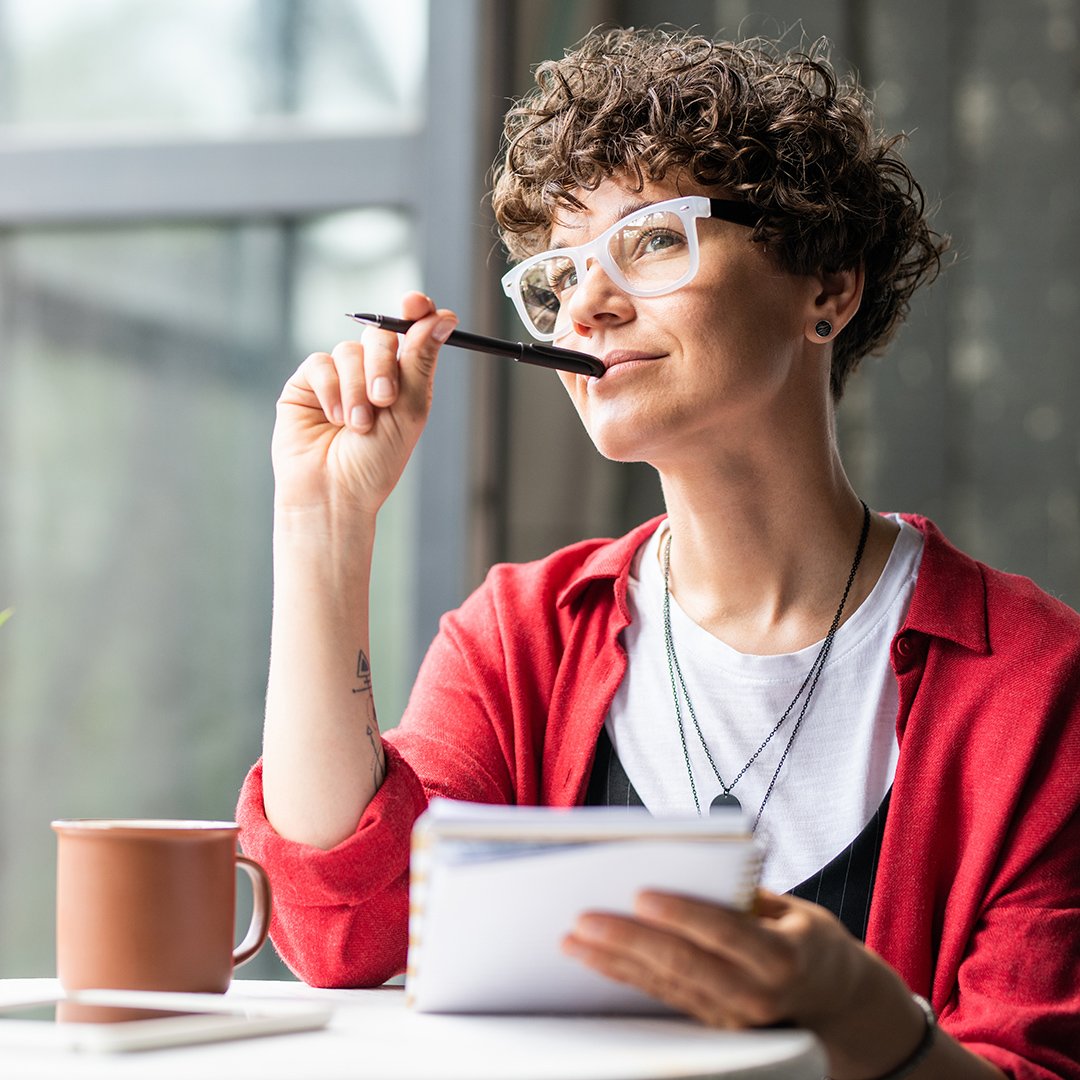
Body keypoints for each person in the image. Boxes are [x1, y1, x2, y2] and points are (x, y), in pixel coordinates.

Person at [237, 26, 1080, 1080]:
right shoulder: (521, 639)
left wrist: (861, 1016)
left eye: (650, 240)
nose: (584, 304)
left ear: (828, 287)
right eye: (557, 271)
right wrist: (324, 523)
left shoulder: (1041, 687)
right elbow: (343, 937)